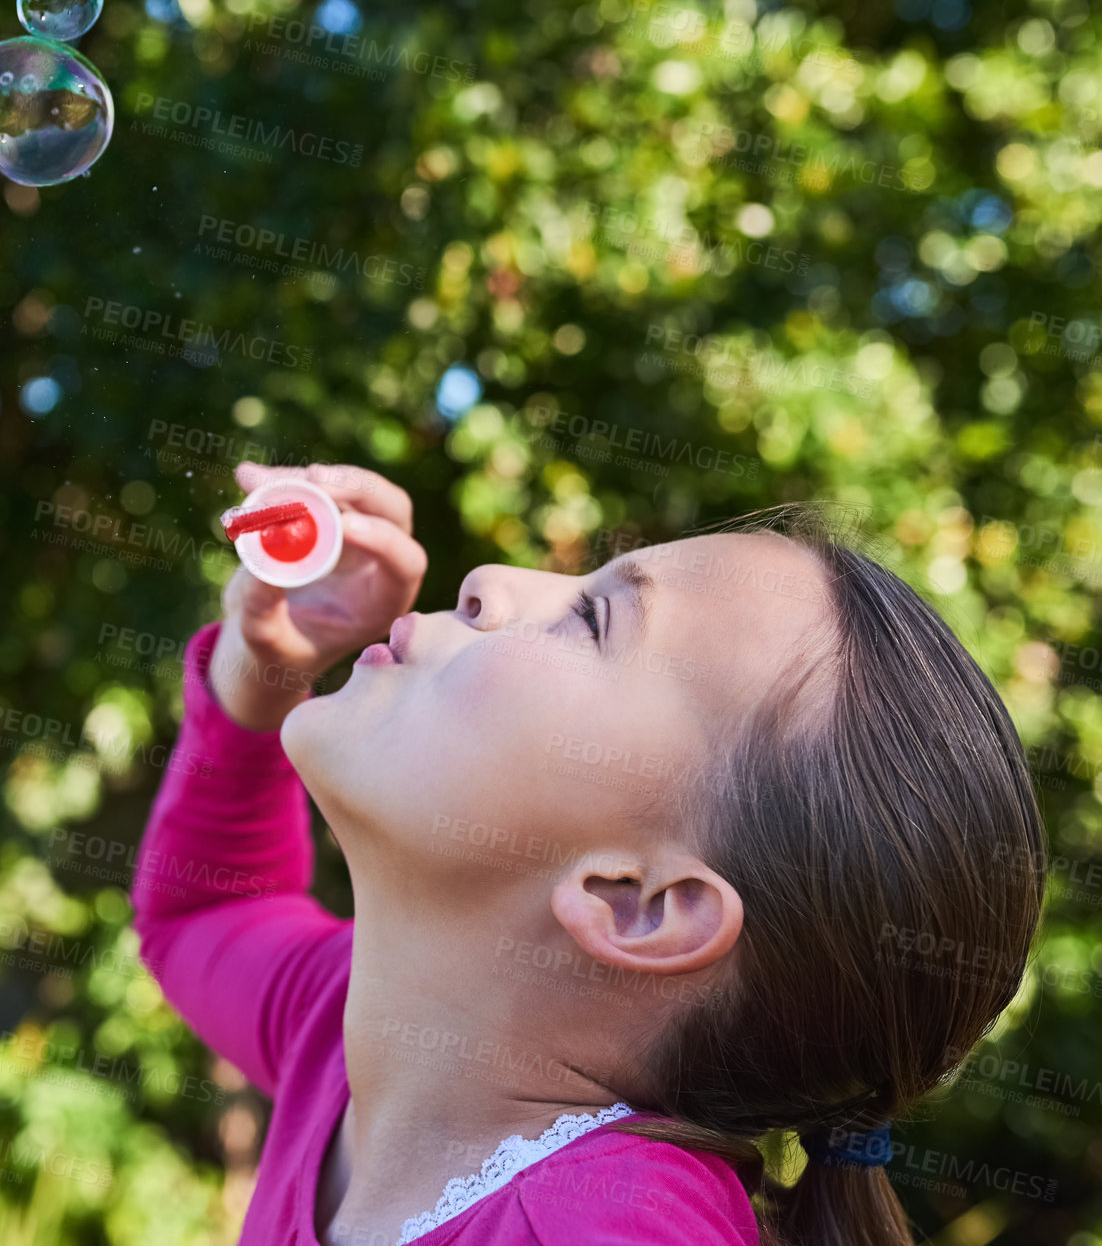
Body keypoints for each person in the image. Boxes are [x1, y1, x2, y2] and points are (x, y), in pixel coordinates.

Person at [131, 462, 1046, 1246]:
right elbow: (207, 909)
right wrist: (264, 672)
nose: (487, 578)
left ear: (635, 902)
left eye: (594, 620)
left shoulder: (612, 1225)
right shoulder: (341, 1029)